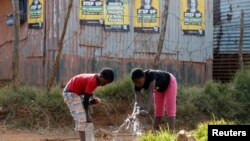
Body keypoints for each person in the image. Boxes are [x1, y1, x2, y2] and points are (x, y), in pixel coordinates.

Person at [63, 68, 115, 141]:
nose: (105, 85)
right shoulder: (93, 81)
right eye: (105, 82)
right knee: (82, 119)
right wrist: (87, 115)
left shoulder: (96, 80)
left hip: (76, 94)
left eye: (107, 83)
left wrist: (92, 101)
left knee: (86, 120)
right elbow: (86, 100)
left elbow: (87, 97)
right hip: (71, 93)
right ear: (101, 76)